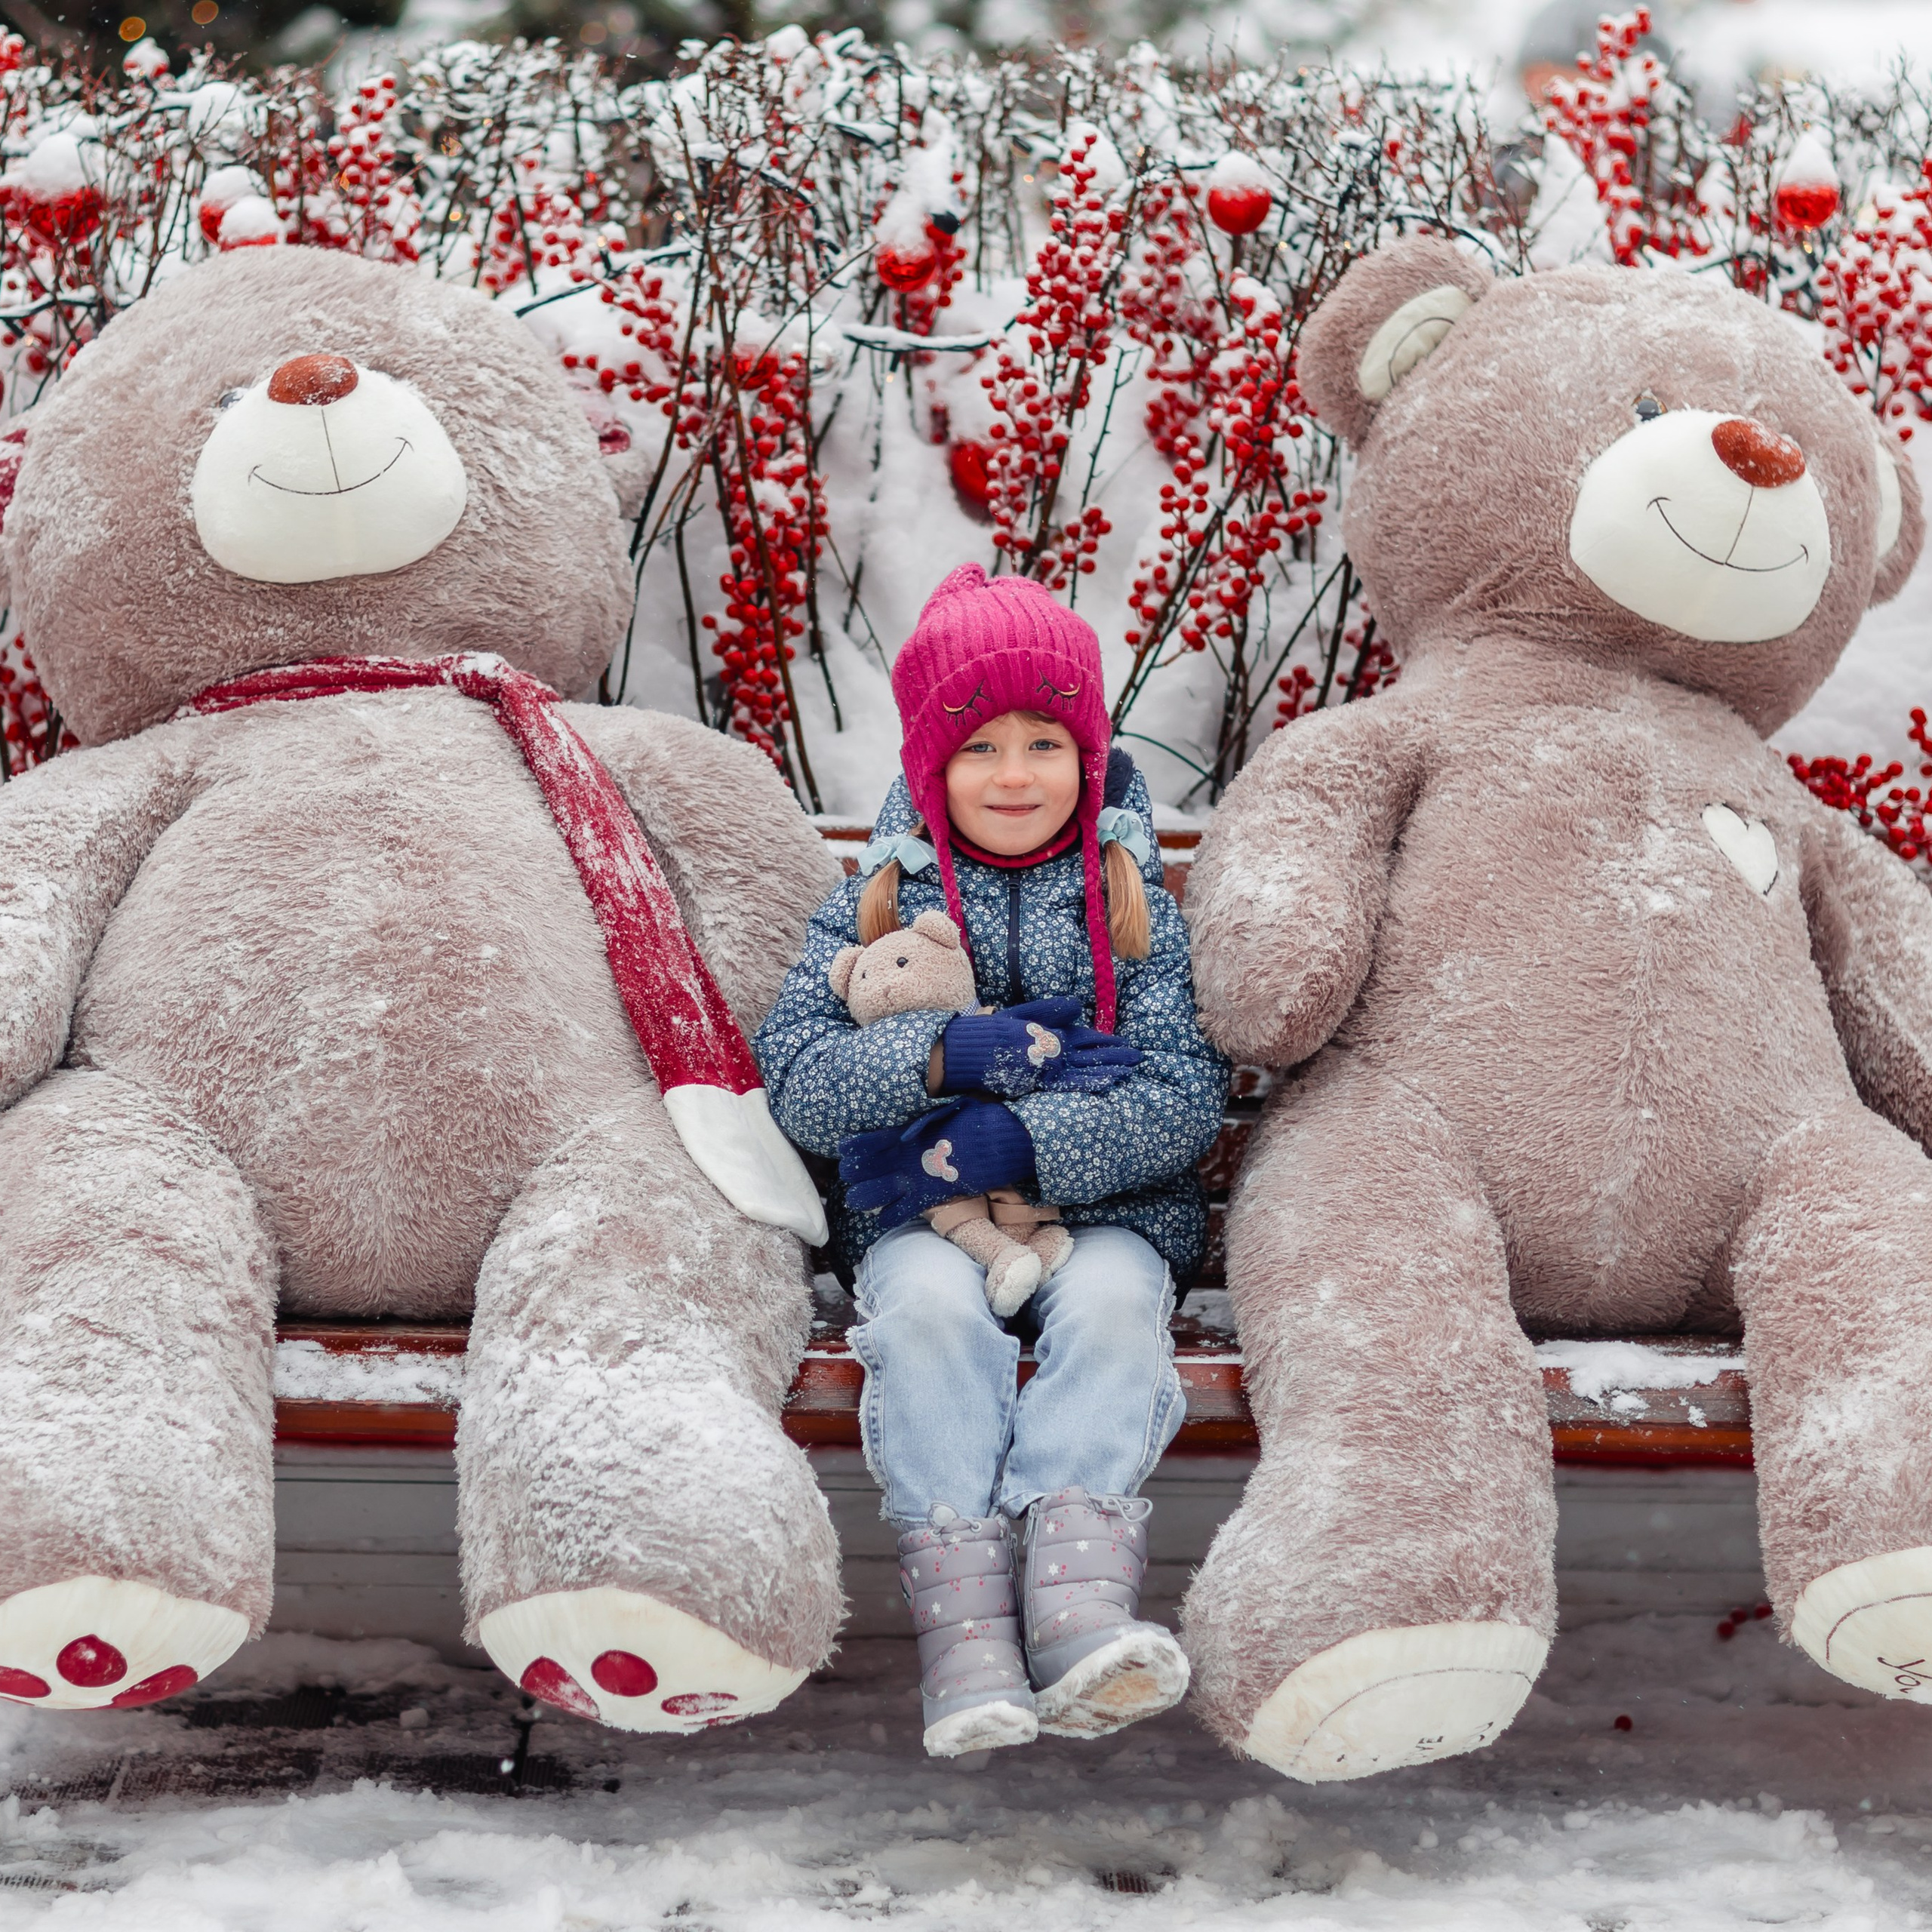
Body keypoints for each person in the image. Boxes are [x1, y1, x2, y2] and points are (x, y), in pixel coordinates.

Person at [755, 563, 1229, 1758]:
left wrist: (1025, 1139)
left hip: (1106, 1214)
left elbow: (1179, 1096)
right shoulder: (873, 895)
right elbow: (802, 1077)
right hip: (921, 1222)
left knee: (1118, 1310)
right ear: (929, 764)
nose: (1014, 775)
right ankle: (968, 1643)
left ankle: (1077, 1617)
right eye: (979, 749)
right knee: (923, 1322)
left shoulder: (1131, 899)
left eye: (1043, 742)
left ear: (1086, 751)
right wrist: (937, 1056)